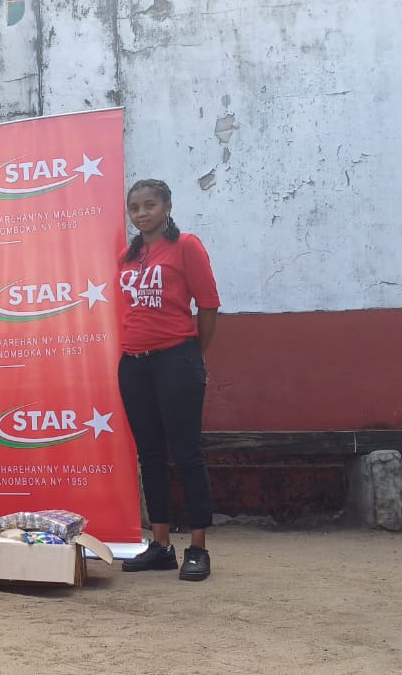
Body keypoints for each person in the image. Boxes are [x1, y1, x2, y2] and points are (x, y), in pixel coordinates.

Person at [115, 179, 220, 582]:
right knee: (151, 456)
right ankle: (160, 546)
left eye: (150, 205)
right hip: (133, 364)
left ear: (168, 206)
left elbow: (208, 306)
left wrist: (192, 353)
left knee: (188, 454)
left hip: (177, 359)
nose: (142, 214)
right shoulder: (129, 255)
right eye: (135, 207)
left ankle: (197, 548)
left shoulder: (186, 246)